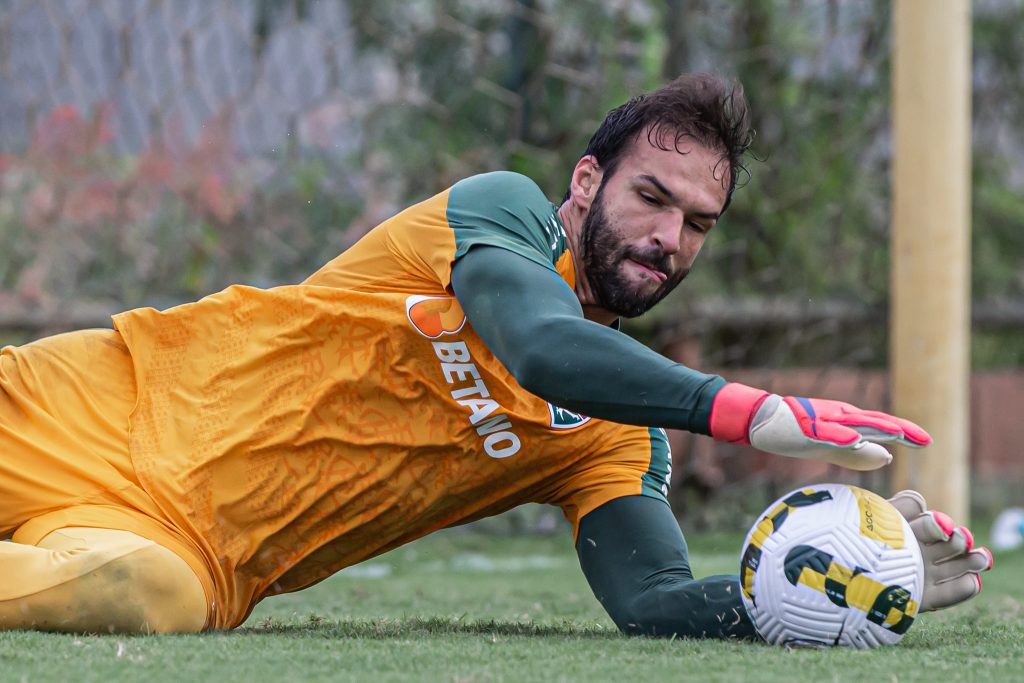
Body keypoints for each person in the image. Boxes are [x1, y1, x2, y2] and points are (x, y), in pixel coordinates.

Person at [0, 74, 991, 636]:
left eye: (698, 222)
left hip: (190, 556)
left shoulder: (616, 438)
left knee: (147, 599)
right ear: (586, 179)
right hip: (74, 407)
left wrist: (834, 584)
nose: (668, 237)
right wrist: (746, 409)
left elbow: (649, 600)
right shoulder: (501, 214)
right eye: (650, 197)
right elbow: (541, 341)